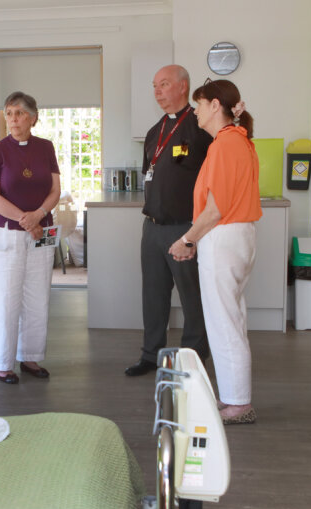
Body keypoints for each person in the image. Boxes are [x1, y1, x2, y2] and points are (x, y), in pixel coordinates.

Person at [169, 79, 262, 424]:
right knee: (231, 318)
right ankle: (237, 398)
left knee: (223, 322)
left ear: (214, 106)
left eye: (198, 104)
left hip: (224, 237)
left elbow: (215, 209)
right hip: (234, 237)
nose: (194, 111)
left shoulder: (226, 145)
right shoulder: (238, 141)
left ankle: (238, 403)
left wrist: (187, 240)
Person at [125, 64, 212, 377]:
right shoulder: (154, 132)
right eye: (154, 86)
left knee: (192, 298)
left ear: (183, 86)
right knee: (153, 295)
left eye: (163, 84)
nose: (157, 92)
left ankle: (194, 358)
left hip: (185, 228)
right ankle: (151, 355)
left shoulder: (200, 128)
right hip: (153, 229)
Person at [0, 91, 61, 384]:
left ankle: (30, 357)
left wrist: (38, 214)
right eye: (8, 113)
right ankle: (2, 363)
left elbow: (54, 189)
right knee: (5, 299)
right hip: (8, 234)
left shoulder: (46, 147)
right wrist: (25, 219)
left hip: (42, 230)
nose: (13, 119)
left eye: (18, 113)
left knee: (38, 296)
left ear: (33, 117)